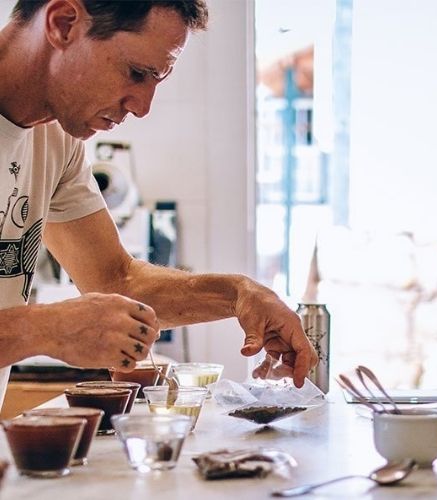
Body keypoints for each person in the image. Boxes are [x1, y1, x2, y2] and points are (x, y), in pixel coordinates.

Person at [0, 0, 317, 407]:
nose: (142, 107)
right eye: (136, 73)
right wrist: (42, 329)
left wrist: (240, 295)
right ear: (63, 23)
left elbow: (117, 282)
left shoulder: (55, 141)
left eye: (156, 80)